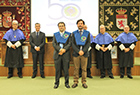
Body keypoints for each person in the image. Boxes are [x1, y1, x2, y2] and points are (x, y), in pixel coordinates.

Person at [71, 19, 90, 88]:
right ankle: (75, 82)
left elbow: (88, 43)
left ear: (83, 25)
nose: (80, 25)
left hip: (84, 53)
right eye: (79, 23)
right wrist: (78, 51)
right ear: (77, 25)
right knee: (76, 68)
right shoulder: (74, 33)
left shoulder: (87, 33)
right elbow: (72, 43)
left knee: (84, 68)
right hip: (76, 53)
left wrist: (83, 51)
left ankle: (84, 82)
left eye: (81, 23)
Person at [52, 22, 71, 89]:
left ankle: (67, 83)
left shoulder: (68, 34)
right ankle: (56, 83)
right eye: (60, 26)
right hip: (57, 54)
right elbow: (54, 44)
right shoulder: (55, 35)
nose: (61, 27)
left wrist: (64, 50)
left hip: (65, 54)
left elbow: (69, 44)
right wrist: (60, 50)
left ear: (64, 27)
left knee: (66, 70)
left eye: (62, 26)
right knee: (57, 70)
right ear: (58, 27)